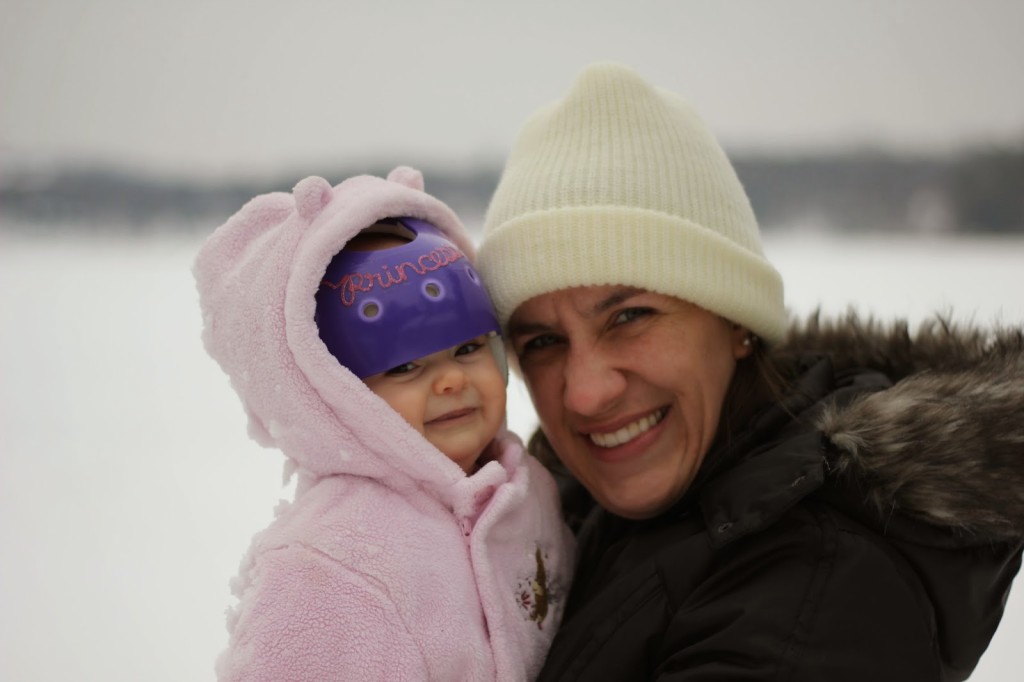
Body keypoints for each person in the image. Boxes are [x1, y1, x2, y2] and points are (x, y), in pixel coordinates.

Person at [475, 62, 1024, 681]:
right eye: (544, 341)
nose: (586, 392)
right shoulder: (562, 517)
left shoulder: (814, 600)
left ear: (736, 322)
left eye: (630, 316)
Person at [193, 166, 574, 681]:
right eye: (404, 366)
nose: (450, 381)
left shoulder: (528, 487)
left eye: (467, 348)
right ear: (336, 395)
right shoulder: (331, 568)